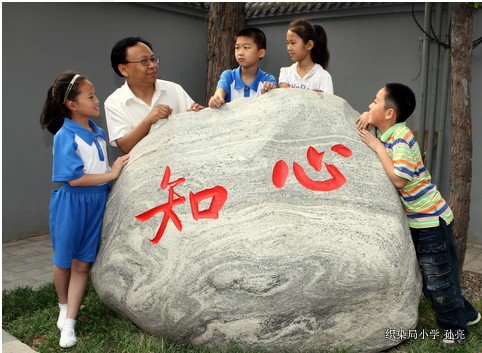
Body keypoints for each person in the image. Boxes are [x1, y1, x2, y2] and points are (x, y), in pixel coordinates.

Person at [357, 83, 480, 347]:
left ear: (390, 113)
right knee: (437, 277)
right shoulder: (390, 131)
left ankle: (455, 329)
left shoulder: (400, 138)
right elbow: (373, 120)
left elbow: (400, 179)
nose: (370, 105)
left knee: (438, 280)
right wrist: (369, 119)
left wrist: (377, 147)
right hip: (420, 221)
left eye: (375, 101)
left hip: (430, 221)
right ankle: (467, 314)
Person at [40, 71, 130, 348]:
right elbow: (73, 178)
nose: (97, 100)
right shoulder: (64, 136)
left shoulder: (98, 132)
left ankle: (69, 323)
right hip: (72, 203)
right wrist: (111, 174)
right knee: (64, 262)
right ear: (73, 105)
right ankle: (63, 306)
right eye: (91, 96)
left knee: (82, 264)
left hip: (97, 202)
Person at [105, 37, 204, 153]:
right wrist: (149, 120)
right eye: (144, 61)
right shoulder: (114, 102)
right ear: (123, 69)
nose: (152, 65)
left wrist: (195, 115)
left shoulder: (174, 89)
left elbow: (197, 125)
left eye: (153, 59)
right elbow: (125, 146)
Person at [209, 27, 277, 108]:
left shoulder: (267, 80)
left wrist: (267, 93)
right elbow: (219, 93)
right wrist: (216, 99)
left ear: (261, 53)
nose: (240, 53)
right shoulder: (228, 76)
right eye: (237, 47)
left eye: (246, 47)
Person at [279, 19, 333, 93]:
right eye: (287, 43)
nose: (289, 48)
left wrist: (320, 99)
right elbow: (283, 99)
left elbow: (329, 103)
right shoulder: (285, 73)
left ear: (309, 45)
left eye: (293, 43)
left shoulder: (323, 76)